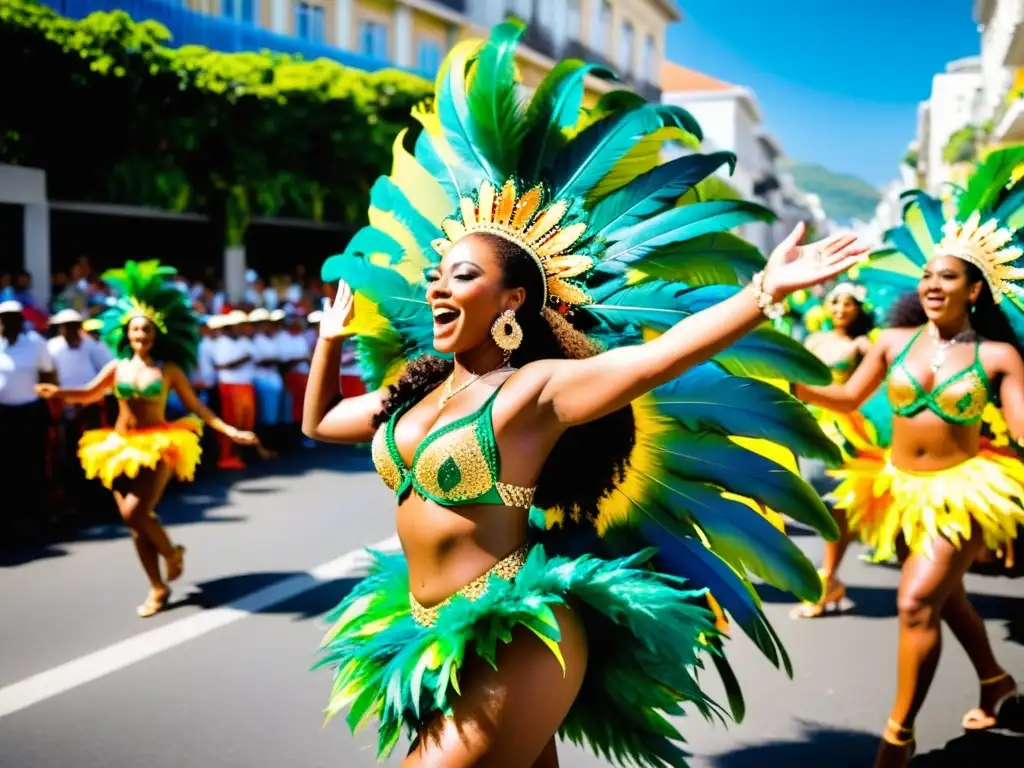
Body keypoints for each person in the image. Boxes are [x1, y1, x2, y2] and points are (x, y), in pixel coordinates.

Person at [302, 22, 868, 766]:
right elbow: (318, 424)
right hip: (424, 630)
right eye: (436, 273)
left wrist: (764, 291)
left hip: (518, 629)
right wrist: (330, 338)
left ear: (510, 304)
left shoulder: (535, 390)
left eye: (463, 276)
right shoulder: (415, 393)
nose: (438, 284)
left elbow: (656, 360)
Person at [793, 149, 1024, 767]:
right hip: (896, 488)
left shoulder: (998, 356)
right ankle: (997, 682)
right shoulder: (892, 341)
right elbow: (846, 396)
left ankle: (897, 737)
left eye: (946, 277)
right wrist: (790, 383)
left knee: (917, 601)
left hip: (967, 490)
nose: (931, 285)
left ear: (975, 289)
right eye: (925, 276)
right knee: (945, 598)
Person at [36, 261, 258, 617]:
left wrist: (230, 431)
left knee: (135, 512)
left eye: (147, 331)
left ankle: (171, 554)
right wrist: (57, 392)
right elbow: (89, 394)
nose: (141, 336)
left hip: (159, 444)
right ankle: (157, 586)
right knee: (136, 523)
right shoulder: (116, 367)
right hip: (117, 447)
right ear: (128, 333)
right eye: (137, 331)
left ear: (156, 335)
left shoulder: (167, 370)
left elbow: (196, 406)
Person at [791, 281, 877, 619]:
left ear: (859, 309)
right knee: (819, 501)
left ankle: (827, 577)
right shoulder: (812, 341)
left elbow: (875, 388)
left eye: (849, 303)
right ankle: (829, 575)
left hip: (842, 430)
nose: (841, 309)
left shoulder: (862, 346)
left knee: (832, 502)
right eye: (835, 302)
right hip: (807, 424)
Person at [46, 308, 115, 520]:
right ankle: (74, 500)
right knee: (67, 456)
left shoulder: (92, 346)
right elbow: (50, 377)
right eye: (66, 327)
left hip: (91, 408)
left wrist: (90, 399)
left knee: (98, 453)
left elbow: (108, 371)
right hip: (66, 410)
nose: (71, 330)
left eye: (75, 326)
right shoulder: (52, 348)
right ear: (60, 328)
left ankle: (99, 499)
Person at [0, 299, 56, 540]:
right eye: (4, 318)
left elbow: (48, 373)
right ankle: (10, 520)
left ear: (21, 321)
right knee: (7, 467)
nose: (8, 323)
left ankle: (37, 518)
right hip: (4, 414)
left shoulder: (35, 343)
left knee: (33, 464)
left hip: (30, 413)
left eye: (14, 318)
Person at [210, 310, 256, 470]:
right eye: (240, 325)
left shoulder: (244, 341)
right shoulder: (221, 343)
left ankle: (237, 456)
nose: (244, 328)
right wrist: (243, 359)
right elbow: (222, 365)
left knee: (245, 422)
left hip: (245, 385)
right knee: (231, 422)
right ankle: (225, 457)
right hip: (230, 387)